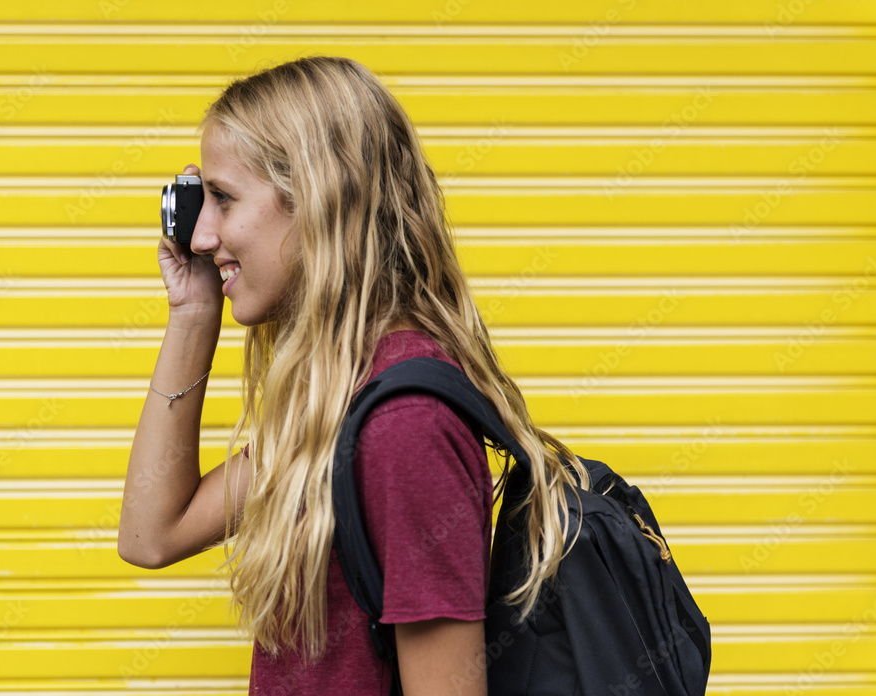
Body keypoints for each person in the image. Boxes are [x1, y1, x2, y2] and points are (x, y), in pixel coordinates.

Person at [118, 56, 589, 695]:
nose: (201, 235)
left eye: (224, 198)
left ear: (318, 200)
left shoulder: (402, 424)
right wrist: (195, 311)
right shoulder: (337, 401)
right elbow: (152, 533)